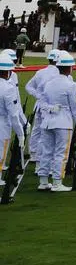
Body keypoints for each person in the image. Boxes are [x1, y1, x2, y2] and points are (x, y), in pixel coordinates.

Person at [34, 53, 76, 192]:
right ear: (68, 68)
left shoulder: (49, 83)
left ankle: (43, 181)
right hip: (63, 122)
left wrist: (50, 108)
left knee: (46, 152)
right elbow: (75, 109)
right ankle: (57, 182)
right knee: (61, 153)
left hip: (48, 121)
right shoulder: (71, 85)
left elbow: (42, 102)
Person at [0, 53, 28, 186]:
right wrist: (20, 134)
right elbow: (13, 114)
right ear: (8, 72)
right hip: (3, 123)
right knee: (1, 152)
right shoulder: (8, 88)